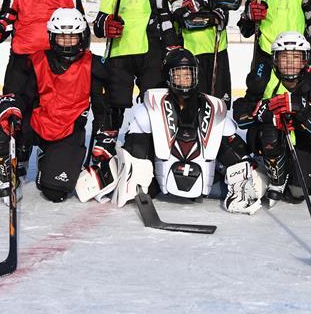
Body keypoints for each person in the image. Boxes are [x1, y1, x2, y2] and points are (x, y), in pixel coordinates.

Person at [81, 48, 266, 215]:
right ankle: (132, 182)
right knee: (139, 138)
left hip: (205, 178)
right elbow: (134, 146)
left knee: (231, 145)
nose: (183, 80)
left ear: (195, 77)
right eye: (177, 75)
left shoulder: (210, 105)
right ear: (168, 77)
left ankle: (241, 185)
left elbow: (233, 143)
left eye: (188, 75)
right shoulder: (152, 105)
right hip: (160, 180)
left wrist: (248, 167)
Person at [0, 0, 84, 178]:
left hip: (55, 63)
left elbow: (80, 28)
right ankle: (20, 152)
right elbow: (7, 19)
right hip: (22, 61)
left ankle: (49, 150)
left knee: (48, 110)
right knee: (17, 111)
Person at [0, 9, 109, 204]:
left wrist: (104, 137)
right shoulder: (36, 59)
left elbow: (101, 106)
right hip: (39, 122)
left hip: (68, 129)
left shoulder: (93, 64)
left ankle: (47, 157)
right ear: (52, 37)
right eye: (62, 37)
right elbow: (23, 95)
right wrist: (11, 108)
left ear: (82, 37)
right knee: (2, 130)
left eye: (72, 37)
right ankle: (9, 176)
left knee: (56, 193)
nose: (67, 42)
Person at [91, 0, 181, 151]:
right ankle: (107, 142)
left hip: (152, 53)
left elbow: (175, 12)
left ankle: (153, 138)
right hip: (119, 53)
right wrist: (106, 25)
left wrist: (173, 46)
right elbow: (99, 22)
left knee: (154, 99)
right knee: (115, 101)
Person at [233, 31, 311, 206]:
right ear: (275, 59)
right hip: (267, 138)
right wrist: (262, 112)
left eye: (295, 57)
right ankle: (273, 179)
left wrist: (300, 113)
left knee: (297, 194)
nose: (289, 63)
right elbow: (241, 116)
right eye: (284, 57)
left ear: (304, 60)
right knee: (269, 132)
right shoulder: (264, 77)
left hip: (298, 141)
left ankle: (283, 173)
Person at [165, 0, 242, 107]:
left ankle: (219, 134)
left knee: (219, 104)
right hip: (189, 52)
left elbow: (233, 1)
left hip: (217, 50)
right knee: (191, 104)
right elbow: (184, 18)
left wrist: (208, 2)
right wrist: (210, 13)